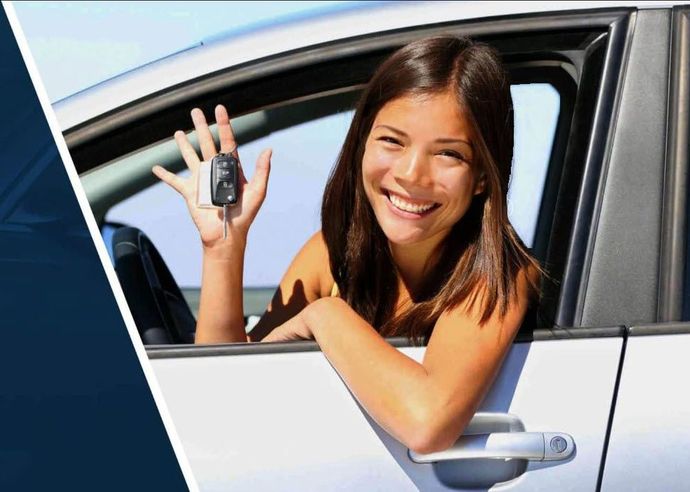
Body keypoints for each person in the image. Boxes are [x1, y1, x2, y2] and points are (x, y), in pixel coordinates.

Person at [152, 36, 541, 455]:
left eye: (448, 154)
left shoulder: (501, 273)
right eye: (392, 141)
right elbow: (223, 390)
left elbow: (428, 424)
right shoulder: (332, 253)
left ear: (483, 176)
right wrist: (223, 249)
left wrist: (324, 315)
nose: (412, 174)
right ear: (361, 144)